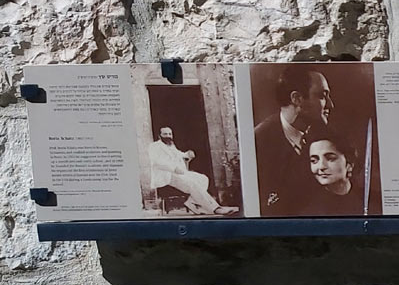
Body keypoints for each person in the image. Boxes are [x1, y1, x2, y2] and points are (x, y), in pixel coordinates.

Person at [255, 66, 335, 215]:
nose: (331, 104)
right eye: (322, 96)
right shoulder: (257, 143)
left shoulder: (326, 136)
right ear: (297, 99)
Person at [147, 126, 237, 215]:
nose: (168, 136)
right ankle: (215, 208)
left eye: (170, 134)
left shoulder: (171, 146)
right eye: (165, 134)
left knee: (203, 178)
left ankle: (192, 202)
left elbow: (180, 154)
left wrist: (187, 154)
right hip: (167, 175)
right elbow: (155, 162)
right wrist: (173, 168)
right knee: (192, 185)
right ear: (159, 136)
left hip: (181, 173)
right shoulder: (154, 146)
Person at [302, 128, 366, 216]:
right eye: (314, 160)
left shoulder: (369, 199)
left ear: (349, 164)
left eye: (330, 159)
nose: (321, 167)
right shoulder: (311, 212)